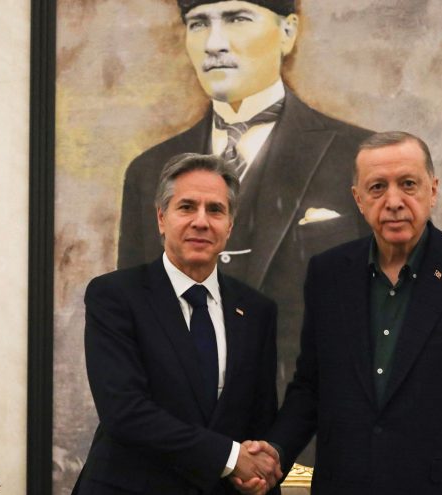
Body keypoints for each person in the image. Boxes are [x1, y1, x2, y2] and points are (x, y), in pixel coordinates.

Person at [237, 132, 442, 495]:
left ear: (433, 190)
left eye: (408, 184)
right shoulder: (328, 274)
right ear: (358, 199)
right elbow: (311, 387)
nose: (393, 201)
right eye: (377, 187)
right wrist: (275, 450)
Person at [117, 0, 373, 425]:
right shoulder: (149, 170)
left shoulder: (357, 157)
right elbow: (134, 321)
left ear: (288, 32)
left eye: (237, 19)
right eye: (199, 23)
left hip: (317, 433)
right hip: (186, 439)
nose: (214, 43)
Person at [66, 153, 283, 495]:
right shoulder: (115, 296)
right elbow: (125, 411)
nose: (201, 221)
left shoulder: (257, 311)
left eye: (215, 210)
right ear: (161, 218)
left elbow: (259, 417)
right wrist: (231, 457)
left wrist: (259, 472)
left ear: (230, 226)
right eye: (187, 207)